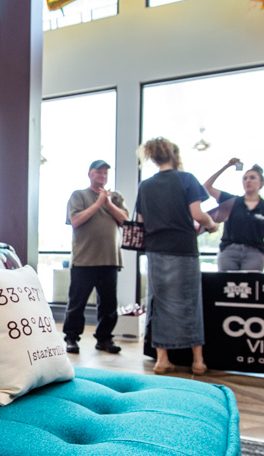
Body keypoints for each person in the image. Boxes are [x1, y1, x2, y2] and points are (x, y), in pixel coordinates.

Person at [135, 138, 218, 375]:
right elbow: (198, 214)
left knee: (159, 302)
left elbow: (141, 222)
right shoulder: (187, 179)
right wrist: (212, 225)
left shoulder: (145, 186)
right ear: (174, 154)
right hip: (183, 248)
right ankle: (198, 360)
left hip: (156, 249)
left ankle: (162, 359)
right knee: (190, 302)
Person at [63, 160, 128, 354]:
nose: (103, 176)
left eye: (105, 173)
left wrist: (107, 202)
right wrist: (98, 203)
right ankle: (72, 338)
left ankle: (104, 339)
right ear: (90, 174)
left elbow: (125, 221)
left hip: (110, 259)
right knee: (77, 303)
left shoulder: (114, 197)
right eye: (99, 173)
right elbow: (75, 221)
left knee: (109, 304)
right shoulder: (79, 195)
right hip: (84, 260)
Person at [203, 158, 264, 271]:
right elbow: (207, 187)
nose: (248, 181)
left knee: (251, 286)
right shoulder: (232, 201)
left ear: (261, 182)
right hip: (229, 252)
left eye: (252, 178)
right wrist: (226, 166)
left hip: (254, 253)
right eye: (244, 178)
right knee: (225, 285)